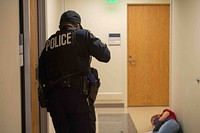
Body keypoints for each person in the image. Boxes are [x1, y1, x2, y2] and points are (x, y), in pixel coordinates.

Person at [38, 10, 111, 133]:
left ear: (61, 25)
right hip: (78, 96)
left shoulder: (49, 43)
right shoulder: (81, 35)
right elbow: (105, 55)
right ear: (77, 24)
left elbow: (42, 72)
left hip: (54, 99)